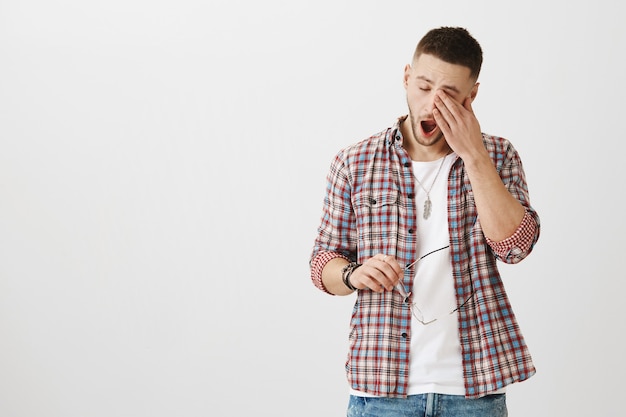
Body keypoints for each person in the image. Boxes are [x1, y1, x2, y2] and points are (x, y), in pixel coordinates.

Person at [309, 26, 540, 417]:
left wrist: (474, 155)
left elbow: (515, 247)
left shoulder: (499, 156)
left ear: (472, 96)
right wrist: (353, 274)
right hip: (381, 390)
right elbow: (322, 263)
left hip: (474, 391)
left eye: (449, 94)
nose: (432, 104)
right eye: (423, 85)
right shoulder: (355, 162)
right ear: (406, 77)